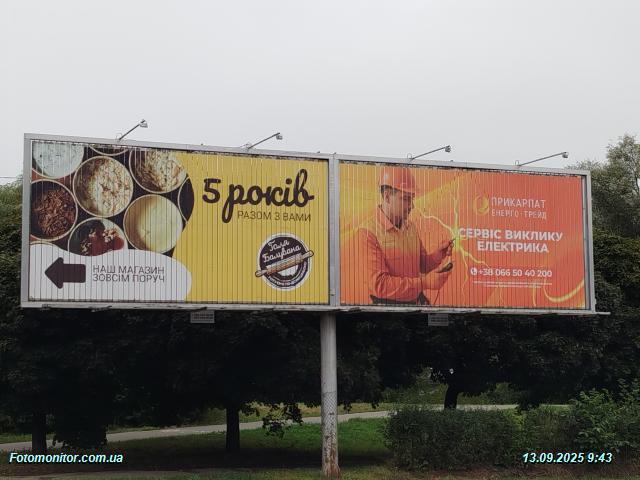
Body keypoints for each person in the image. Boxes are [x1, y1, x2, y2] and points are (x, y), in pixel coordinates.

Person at [355, 165, 453, 305]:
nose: (411, 206)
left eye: (412, 199)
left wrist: (438, 255)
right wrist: (424, 283)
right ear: (387, 196)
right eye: (406, 199)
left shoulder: (410, 228)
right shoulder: (367, 233)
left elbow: (422, 265)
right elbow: (380, 285)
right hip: (387, 310)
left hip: (415, 305)